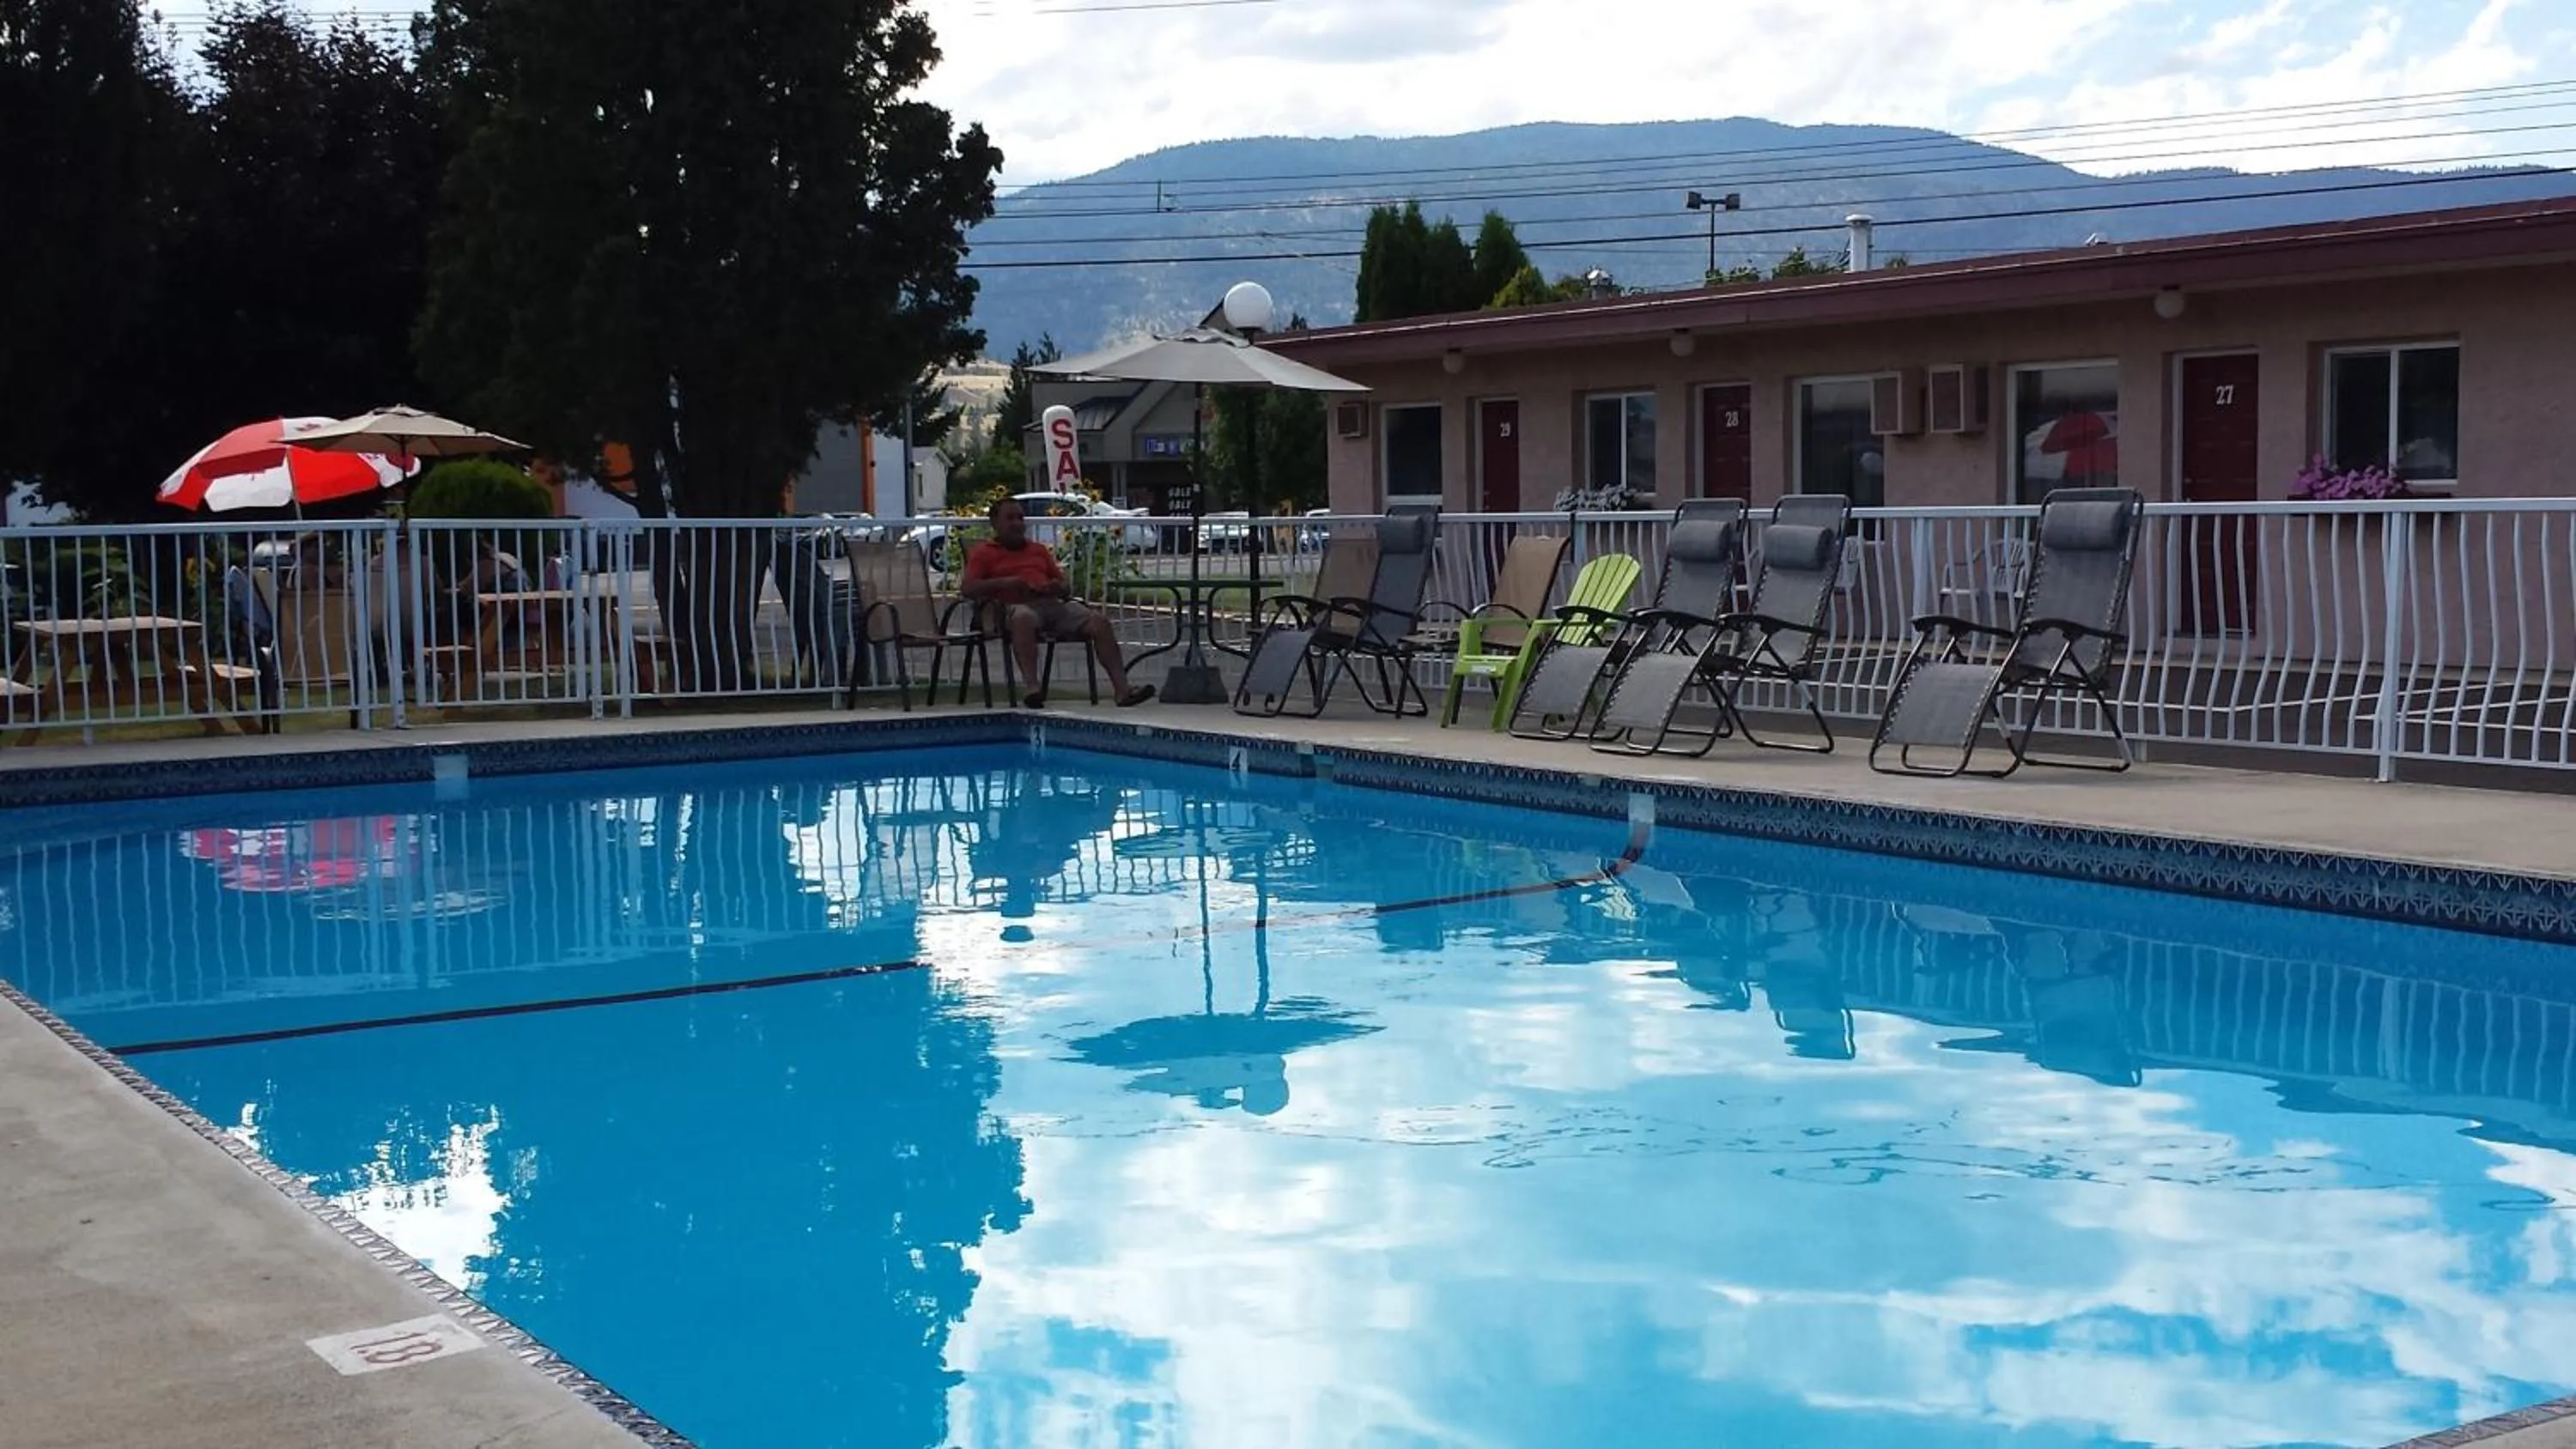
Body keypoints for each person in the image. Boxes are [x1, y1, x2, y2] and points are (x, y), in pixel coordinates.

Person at [960, 497, 1155, 709]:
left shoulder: (1038, 550)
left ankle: (1122, 690)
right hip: (1012, 608)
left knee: (1098, 622)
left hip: (1051, 604)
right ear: (995, 523)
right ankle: (1033, 689)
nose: (1017, 523)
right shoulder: (984, 553)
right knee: (1023, 617)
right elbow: (968, 588)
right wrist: (1007, 583)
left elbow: (1065, 586)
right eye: (1010, 518)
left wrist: (1056, 586)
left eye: (1020, 518)